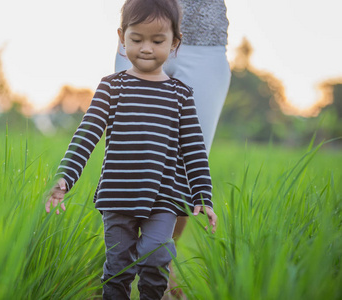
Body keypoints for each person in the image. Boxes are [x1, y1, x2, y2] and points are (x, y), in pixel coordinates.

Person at [46, 0, 217, 298]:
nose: (146, 48)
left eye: (158, 40)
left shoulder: (181, 96)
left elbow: (194, 149)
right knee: (118, 266)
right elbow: (86, 135)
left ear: (175, 43)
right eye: (136, 39)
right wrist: (65, 177)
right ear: (121, 38)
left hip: (163, 196)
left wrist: (203, 194)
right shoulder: (111, 87)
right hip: (117, 196)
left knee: (155, 254)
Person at [115, 1, 231, 297]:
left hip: (205, 43)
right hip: (141, 26)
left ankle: (161, 263)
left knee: (187, 161)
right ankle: (122, 263)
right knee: (132, 154)